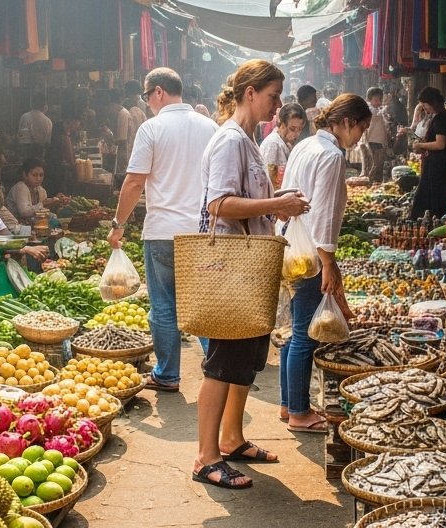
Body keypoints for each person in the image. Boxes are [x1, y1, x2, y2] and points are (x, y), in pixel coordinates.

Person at [193, 59, 309, 490]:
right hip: (229, 268)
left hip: (248, 266)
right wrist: (275, 205)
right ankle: (206, 457)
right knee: (221, 362)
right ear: (250, 93)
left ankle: (232, 438)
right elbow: (219, 204)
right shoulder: (229, 140)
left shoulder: (245, 139)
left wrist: (277, 199)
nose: (278, 106)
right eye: (274, 96)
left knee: (244, 359)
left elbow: (243, 197)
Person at [108, 68, 219, 392]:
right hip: (201, 233)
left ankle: (168, 374)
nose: (148, 103)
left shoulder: (151, 128)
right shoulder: (210, 127)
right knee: (201, 306)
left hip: (162, 233)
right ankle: (219, 369)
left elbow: (134, 182)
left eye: (147, 96)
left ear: (158, 92)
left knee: (164, 306)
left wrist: (118, 225)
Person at [280, 93, 368, 435]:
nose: (360, 136)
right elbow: (325, 215)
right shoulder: (331, 155)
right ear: (347, 122)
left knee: (294, 331)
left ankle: (290, 404)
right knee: (305, 334)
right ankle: (300, 412)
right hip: (310, 252)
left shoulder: (305, 145)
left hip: (291, 246)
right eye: (361, 128)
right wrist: (328, 263)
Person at [407, 86, 446, 219]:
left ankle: (434, 219)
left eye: (425, 104)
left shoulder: (441, 119)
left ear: (432, 102)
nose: (424, 108)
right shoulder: (439, 117)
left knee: (435, 194)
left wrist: (420, 144)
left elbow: (440, 144)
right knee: (430, 193)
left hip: (439, 164)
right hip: (436, 163)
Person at [260, 103, 306, 187]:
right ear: (282, 124)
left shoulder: (285, 143)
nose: (297, 134)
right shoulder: (273, 144)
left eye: (299, 129)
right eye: (292, 129)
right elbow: (272, 183)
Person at [44, 113, 79, 195]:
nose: (77, 127)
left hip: (49, 167)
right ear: (71, 122)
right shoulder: (62, 134)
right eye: (77, 123)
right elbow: (69, 157)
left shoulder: (55, 127)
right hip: (57, 169)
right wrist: (74, 170)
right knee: (61, 194)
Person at [360, 87, 389, 182]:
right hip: (372, 141)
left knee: (378, 165)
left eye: (380, 99)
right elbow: (375, 115)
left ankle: (375, 184)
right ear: (369, 100)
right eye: (376, 100)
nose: (379, 102)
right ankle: (371, 183)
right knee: (374, 165)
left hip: (378, 141)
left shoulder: (377, 110)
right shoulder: (370, 110)